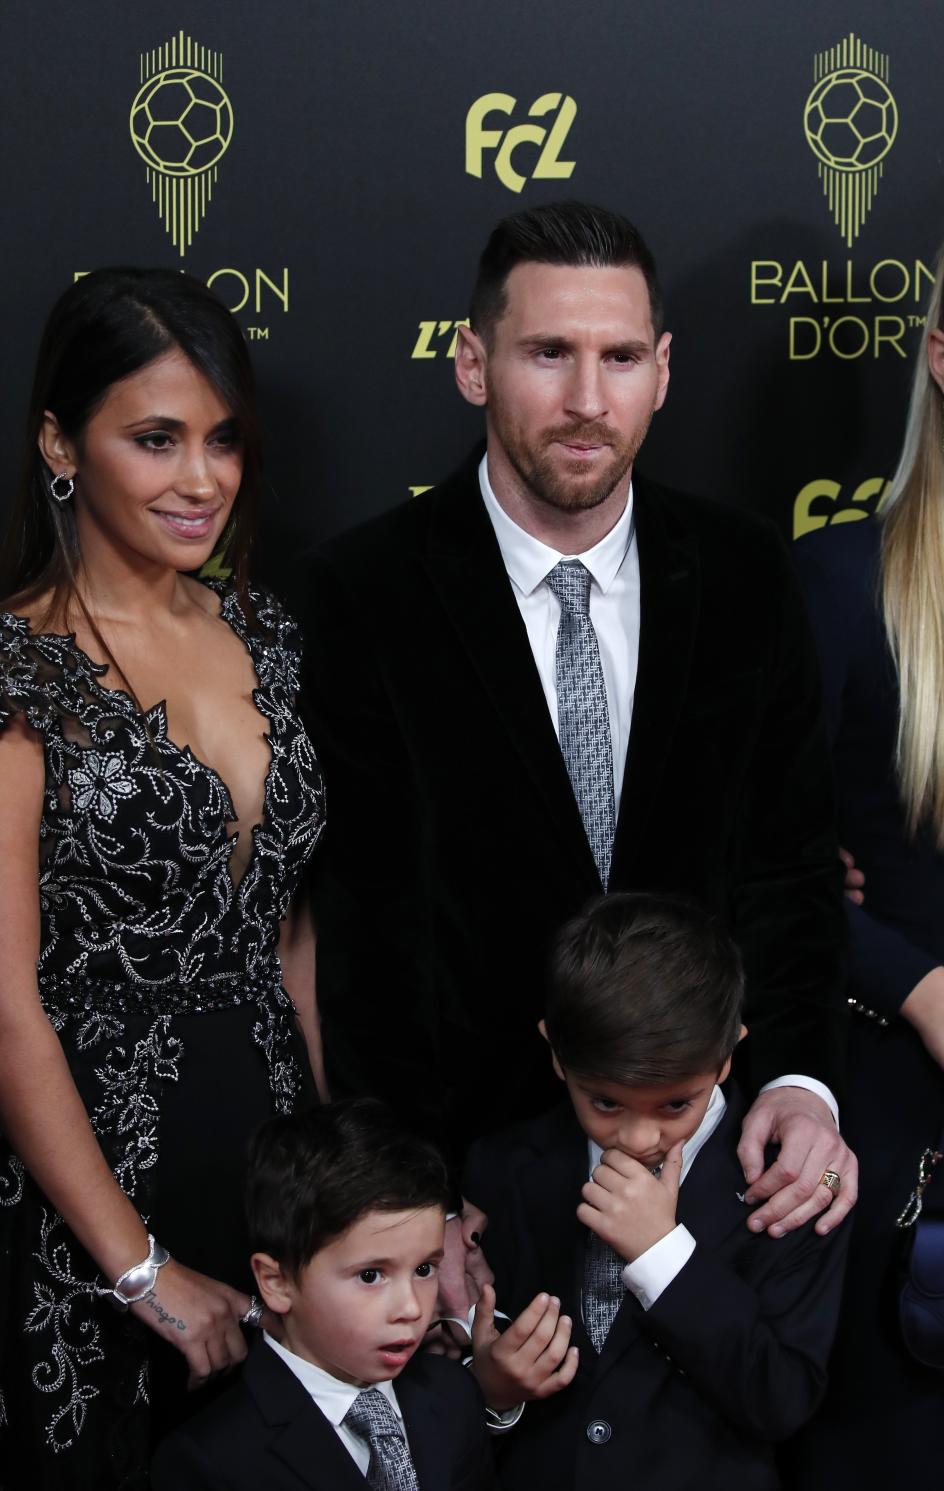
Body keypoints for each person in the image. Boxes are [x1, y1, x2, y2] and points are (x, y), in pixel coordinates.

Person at [294, 201, 855, 1303]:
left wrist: (799, 1081)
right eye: (549, 353)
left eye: (621, 356)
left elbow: (789, 866)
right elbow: (370, 936)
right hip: (481, 1204)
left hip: (719, 1185)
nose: (589, 400)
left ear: (664, 369)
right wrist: (416, 1196)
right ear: (472, 362)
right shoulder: (366, 593)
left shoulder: (744, 575)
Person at [0, 268, 325, 1489]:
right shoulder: (11, 671)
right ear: (58, 442)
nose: (201, 480)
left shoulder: (267, 633)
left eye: (224, 439)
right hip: (88, 1204)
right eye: (156, 439)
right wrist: (138, 1269)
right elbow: (2, 1007)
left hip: (271, 1171)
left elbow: (292, 938)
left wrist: (337, 1193)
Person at [463, 894, 850, 1491]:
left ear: (726, 1057)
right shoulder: (502, 1167)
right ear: (557, 1056)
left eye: (675, 1104)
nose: (640, 1135)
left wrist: (662, 1255)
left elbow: (782, 1398)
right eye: (606, 1102)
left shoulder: (791, 1184)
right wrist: (491, 1392)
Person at [786, 253, 944, 1485]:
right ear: (941, 357)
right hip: (901, 1115)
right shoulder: (843, 580)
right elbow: (775, 871)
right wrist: (925, 990)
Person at [151, 1099, 497, 1490]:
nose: (411, 1307)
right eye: (370, 1275)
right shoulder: (211, 1462)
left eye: (423, 1269)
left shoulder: (452, 1393)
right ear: (277, 1283)